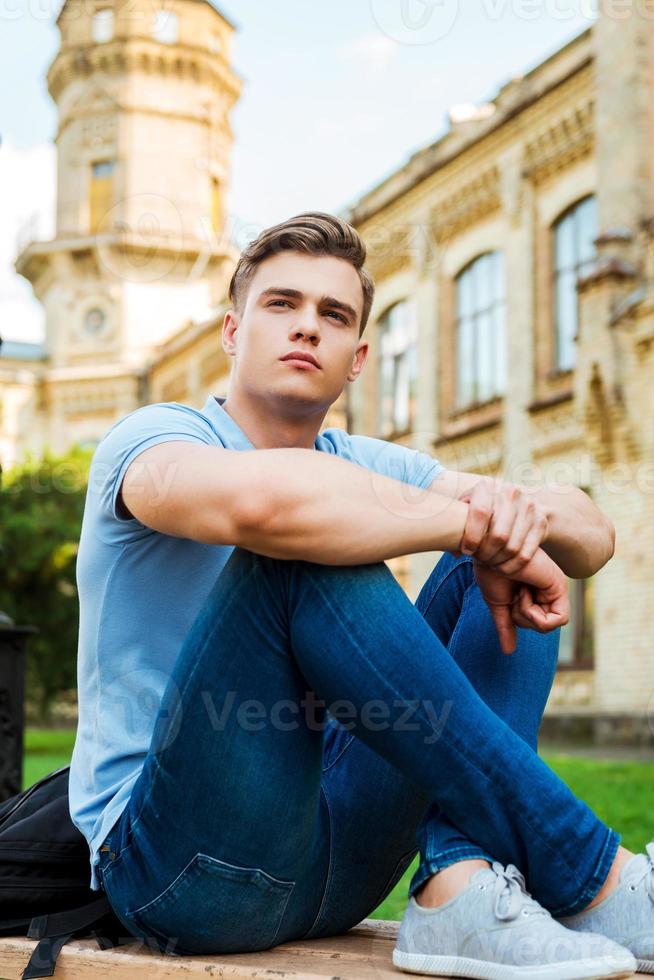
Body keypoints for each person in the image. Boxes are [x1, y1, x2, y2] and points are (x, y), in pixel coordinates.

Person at [68, 212, 652, 980]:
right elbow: (265, 510)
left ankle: (460, 883)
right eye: (282, 305)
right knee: (304, 547)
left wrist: (516, 523)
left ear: (357, 359)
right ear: (233, 332)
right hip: (181, 866)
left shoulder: (360, 458)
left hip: (338, 860)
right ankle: (592, 871)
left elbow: (593, 534)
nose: (307, 327)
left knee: (513, 545)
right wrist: (477, 525)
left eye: (333, 315)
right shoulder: (154, 438)